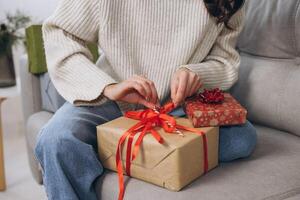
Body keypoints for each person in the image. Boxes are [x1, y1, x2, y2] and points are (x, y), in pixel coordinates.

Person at [35, 0, 257, 199]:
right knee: (55, 141)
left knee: (241, 138)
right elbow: (60, 34)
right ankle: (126, 147)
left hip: (177, 105)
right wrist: (108, 87)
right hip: (109, 97)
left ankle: (119, 148)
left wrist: (195, 73)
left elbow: (224, 59)